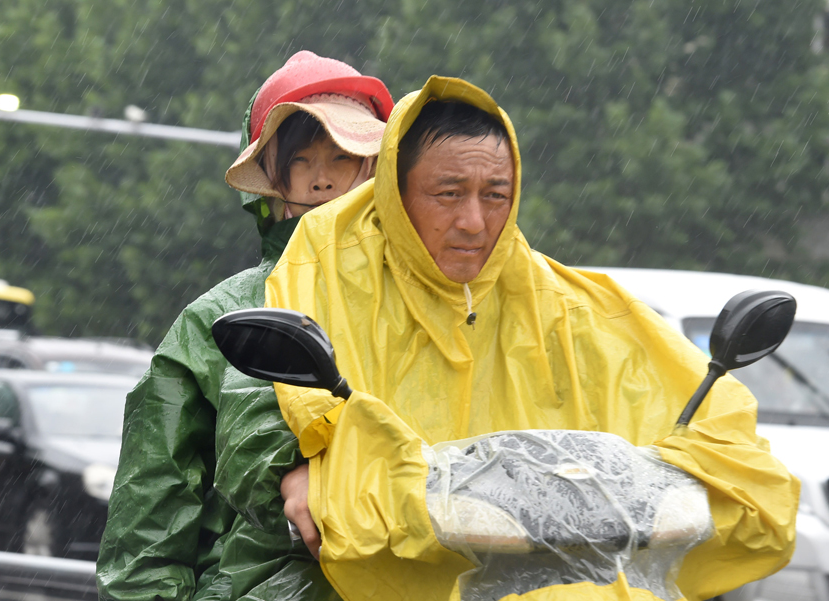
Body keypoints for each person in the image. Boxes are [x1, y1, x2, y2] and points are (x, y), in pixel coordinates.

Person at [263, 76, 799, 601]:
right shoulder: (330, 272)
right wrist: (300, 468)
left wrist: (706, 469)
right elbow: (287, 405)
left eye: (495, 195)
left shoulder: (572, 306)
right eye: (448, 194)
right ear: (395, 194)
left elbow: (711, 420)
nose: (474, 221)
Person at [95, 51, 393, 601]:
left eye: (345, 153)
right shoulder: (212, 319)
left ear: (375, 168)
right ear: (270, 180)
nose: (324, 179)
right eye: (302, 159)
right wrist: (292, 472)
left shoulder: (425, 301)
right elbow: (149, 522)